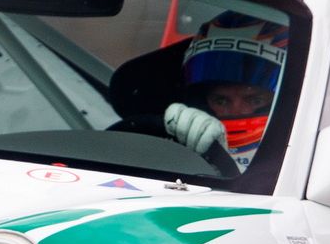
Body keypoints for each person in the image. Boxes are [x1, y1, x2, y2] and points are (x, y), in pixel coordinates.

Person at [113, 9, 290, 170]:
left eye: (254, 100)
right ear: (201, 100)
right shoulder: (177, 146)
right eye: (221, 100)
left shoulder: (301, 156)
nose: (236, 112)